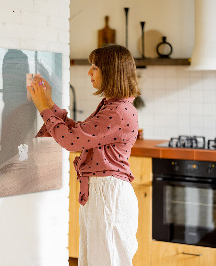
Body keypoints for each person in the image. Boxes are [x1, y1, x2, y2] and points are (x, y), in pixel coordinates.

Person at [27, 44, 140, 266]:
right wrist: (49, 104)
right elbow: (79, 134)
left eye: (95, 67)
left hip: (108, 195)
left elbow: (71, 141)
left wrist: (43, 108)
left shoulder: (117, 111)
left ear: (111, 71)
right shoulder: (113, 106)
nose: (89, 72)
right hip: (102, 193)